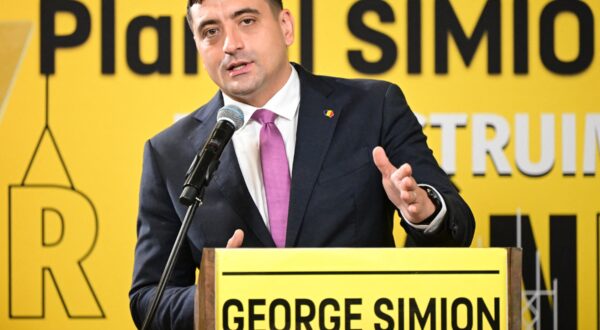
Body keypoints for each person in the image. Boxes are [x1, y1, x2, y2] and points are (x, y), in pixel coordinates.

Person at [129, 0, 475, 328]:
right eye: (210, 32)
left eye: (246, 21)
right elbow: (149, 300)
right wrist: (215, 295)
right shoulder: (169, 153)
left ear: (285, 27)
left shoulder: (373, 108)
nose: (230, 44)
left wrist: (425, 214)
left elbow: (457, 227)